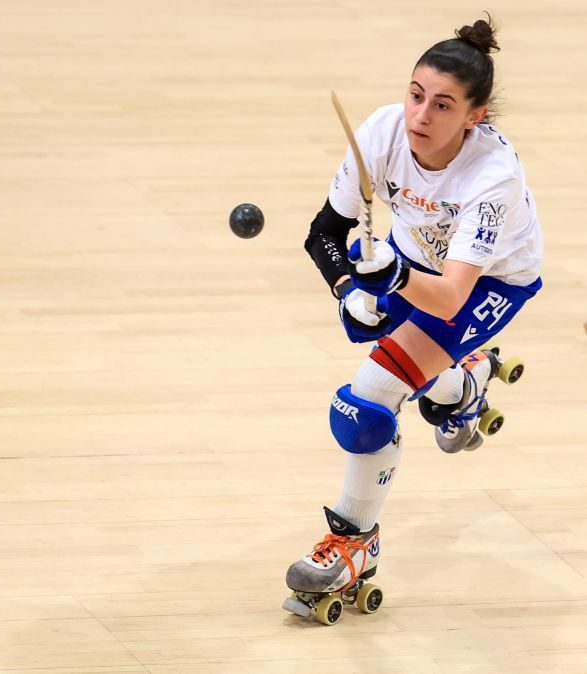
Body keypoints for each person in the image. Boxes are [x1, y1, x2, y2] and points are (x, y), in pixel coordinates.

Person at [287, 15, 543, 623]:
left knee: (366, 401)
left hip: (485, 282)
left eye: (443, 105)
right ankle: (462, 383)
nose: (420, 116)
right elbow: (324, 233)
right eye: (415, 94)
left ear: (473, 117)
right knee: (407, 362)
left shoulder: (492, 178)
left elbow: (452, 298)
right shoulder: (382, 133)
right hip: (408, 259)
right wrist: (347, 287)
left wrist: (392, 280)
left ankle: (354, 543)